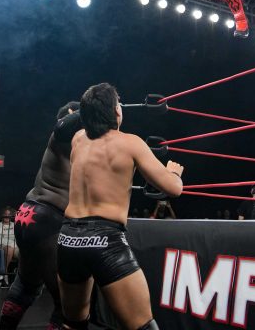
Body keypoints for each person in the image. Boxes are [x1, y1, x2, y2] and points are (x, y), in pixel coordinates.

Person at [57, 83, 184, 330]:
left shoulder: (78, 139)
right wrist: (174, 173)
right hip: (105, 240)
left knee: (73, 323)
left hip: (69, 239)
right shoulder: (130, 143)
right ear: (116, 110)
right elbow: (173, 189)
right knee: (143, 326)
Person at [0, 101, 80, 330]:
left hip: (30, 214)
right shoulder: (61, 135)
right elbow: (63, 125)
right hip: (46, 217)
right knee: (66, 302)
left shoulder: (79, 147)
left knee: (26, 285)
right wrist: (95, 107)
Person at [0, 207, 18, 288]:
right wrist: (10, 244)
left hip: (15, 246)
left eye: (9, 214)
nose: (7, 216)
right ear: (2, 215)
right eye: (5, 214)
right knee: (9, 249)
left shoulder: (15, 225)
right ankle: (5, 273)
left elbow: (18, 237)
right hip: (4, 246)